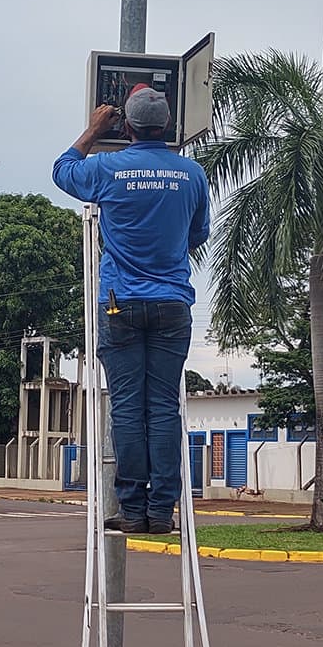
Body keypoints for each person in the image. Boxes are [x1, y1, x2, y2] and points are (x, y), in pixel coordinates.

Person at [53, 85, 210, 534]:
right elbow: (197, 233)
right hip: (173, 304)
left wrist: (91, 131)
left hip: (121, 304)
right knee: (162, 408)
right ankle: (161, 512)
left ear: (126, 126)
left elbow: (62, 171)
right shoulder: (192, 174)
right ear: (167, 126)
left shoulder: (106, 168)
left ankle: (132, 509)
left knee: (126, 406)